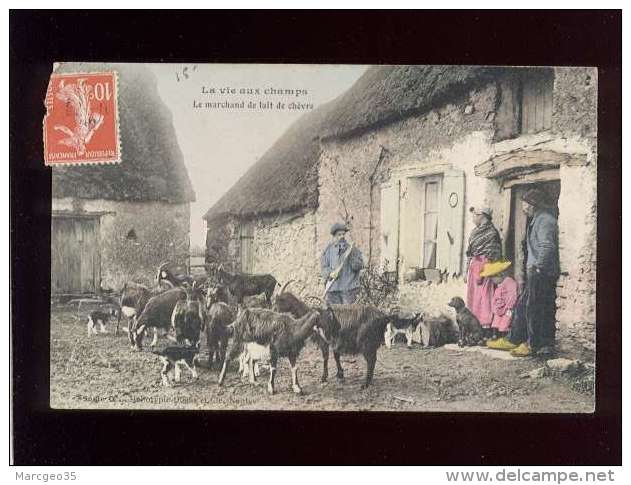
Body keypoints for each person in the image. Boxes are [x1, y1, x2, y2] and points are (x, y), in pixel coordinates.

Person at [487, 188, 560, 357]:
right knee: (522, 306)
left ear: (534, 204)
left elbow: (547, 246)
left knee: (535, 308)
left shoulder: (545, 221)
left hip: (542, 273)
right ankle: (513, 339)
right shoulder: (536, 219)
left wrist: (538, 267)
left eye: (525, 204)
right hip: (535, 272)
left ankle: (532, 345)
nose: (524, 207)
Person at [465, 206, 503, 335]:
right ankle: (474, 329)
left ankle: (486, 330)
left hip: (487, 269)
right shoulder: (474, 232)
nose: (473, 218)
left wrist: (491, 270)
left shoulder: (492, 233)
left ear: (482, 216)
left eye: (475, 215)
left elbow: (496, 254)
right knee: (473, 298)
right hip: (474, 268)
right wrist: (466, 271)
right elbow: (469, 253)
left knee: (485, 298)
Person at [320, 222, 364, 304]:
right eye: (339, 235)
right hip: (333, 290)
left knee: (348, 314)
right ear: (334, 236)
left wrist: (350, 254)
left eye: (343, 234)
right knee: (333, 314)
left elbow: (359, 266)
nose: (342, 237)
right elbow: (323, 268)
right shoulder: (328, 250)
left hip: (348, 290)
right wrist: (330, 273)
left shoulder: (352, 249)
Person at [481, 260, 519, 342]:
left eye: (493, 278)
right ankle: (497, 336)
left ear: (500, 275)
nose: (493, 281)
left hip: (506, 308)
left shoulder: (509, 282)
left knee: (505, 323)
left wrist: (509, 307)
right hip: (499, 308)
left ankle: (506, 338)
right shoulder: (499, 284)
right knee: (496, 322)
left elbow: (512, 295)